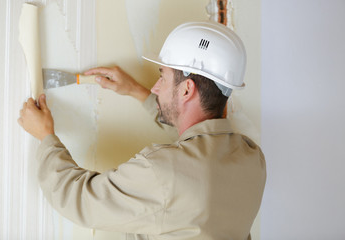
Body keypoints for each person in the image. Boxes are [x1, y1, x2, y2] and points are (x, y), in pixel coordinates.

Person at [18, 21, 266, 240]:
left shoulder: (160, 171)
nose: (156, 87)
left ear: (187, 90)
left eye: (163, 77)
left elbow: (79, 199)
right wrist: (136, 91)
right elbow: (199, 147)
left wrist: (45, 136)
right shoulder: (252, 158)